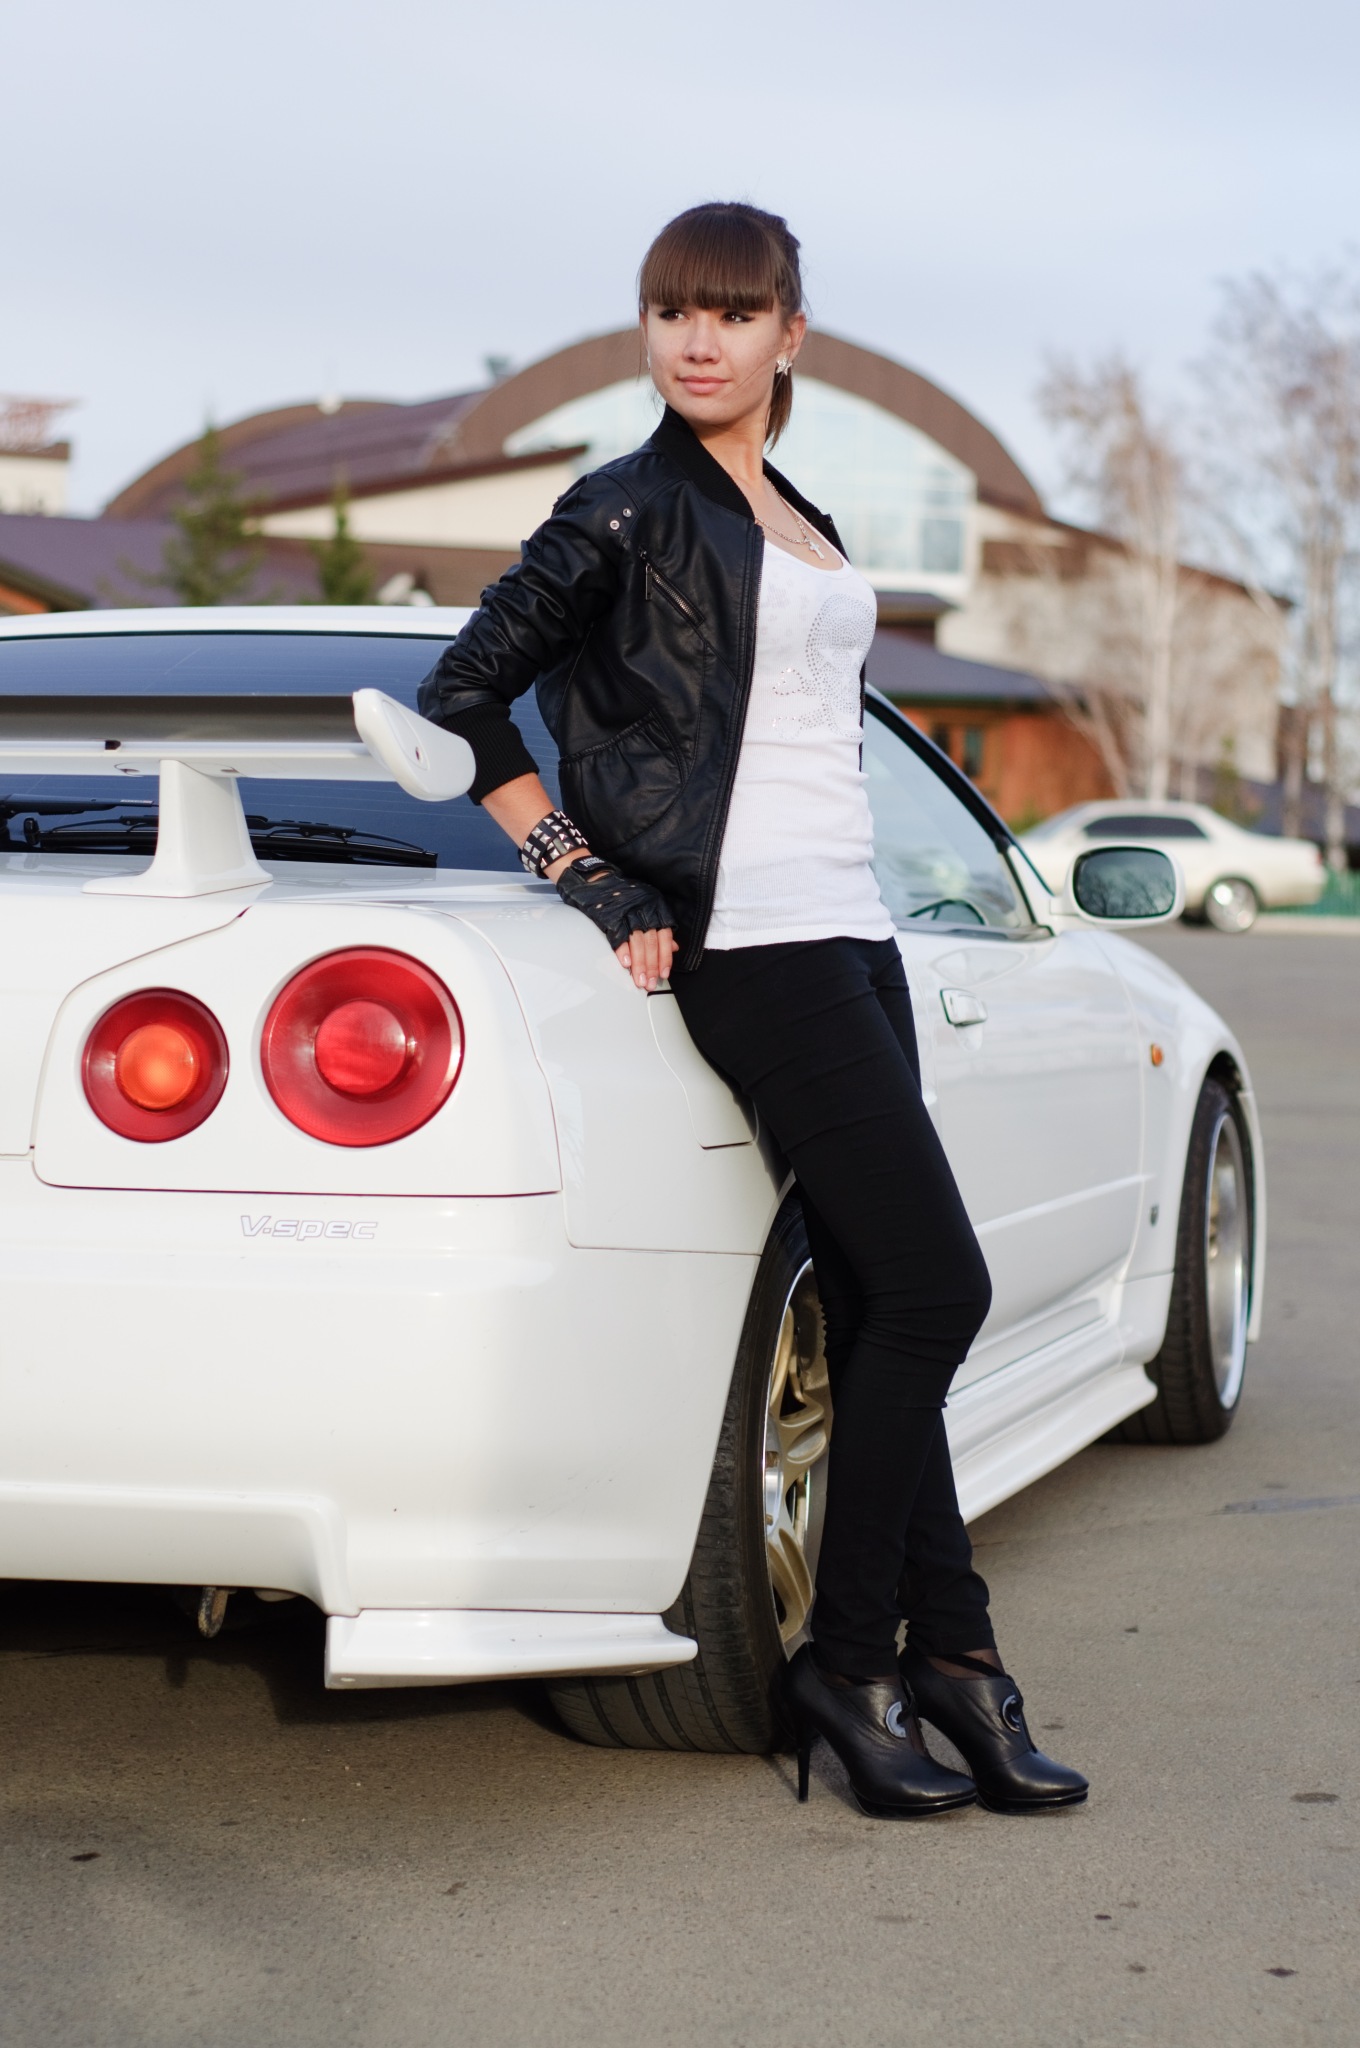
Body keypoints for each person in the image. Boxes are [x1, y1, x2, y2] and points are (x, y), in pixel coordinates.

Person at [419, 201, 1086, 1820]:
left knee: (873, 1303)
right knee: (937, 1287)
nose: (696, 341)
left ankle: (958, 1661)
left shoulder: (798, 510)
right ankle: (849, 1668)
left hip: (855, 934)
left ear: (792, 334)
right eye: (672, 311)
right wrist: (591, 876)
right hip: (755, 946)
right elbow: (464, 694)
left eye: (729, 312)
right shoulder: (625, 506)